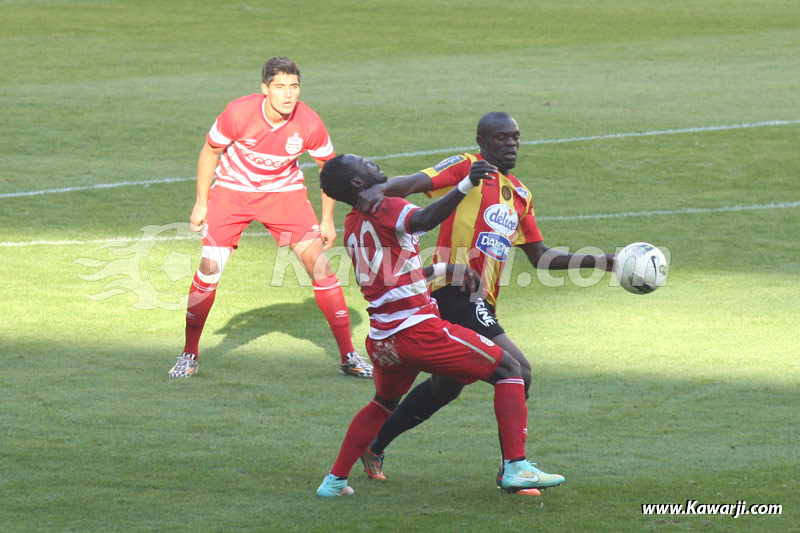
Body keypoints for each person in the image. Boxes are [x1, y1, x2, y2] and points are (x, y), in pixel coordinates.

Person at [355, 111, 615, 485]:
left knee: (446, 386)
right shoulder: (467, 167)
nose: (511, 144)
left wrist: (603, 261)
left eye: (515, 137)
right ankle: (513, 466)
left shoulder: (521, 195)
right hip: (453, 291)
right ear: (482, 142)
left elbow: (541, 257)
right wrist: (381, 190)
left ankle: (375, 445)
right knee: (518, 370)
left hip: (483, 301)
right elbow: (414, 182)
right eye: (501, 137)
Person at [315, 153, 565, 498]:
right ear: (357, 182)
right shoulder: (388, 207)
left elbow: (396, 276)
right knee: (512, 370)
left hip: (382, 340)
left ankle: (334, 481)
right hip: (416, 331)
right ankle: (515, 467)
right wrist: (466, 183)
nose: (372, 162)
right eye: (365, 163)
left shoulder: (353, 223)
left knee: (383, 404)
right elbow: (425, 218)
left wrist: (445, 269)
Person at [168, 57, 372, 379]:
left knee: (320, 267)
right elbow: (210, 151)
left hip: (284, 196)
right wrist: (201, 203)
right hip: (233, 193)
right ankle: (189, 354)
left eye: (294, 87)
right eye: (280, 87)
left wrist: (327, 220)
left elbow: (329, 171)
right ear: (265, 89)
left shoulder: (309, 122)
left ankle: (349, 356)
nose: (288, 95)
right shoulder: (238, 113)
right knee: (209, 270)